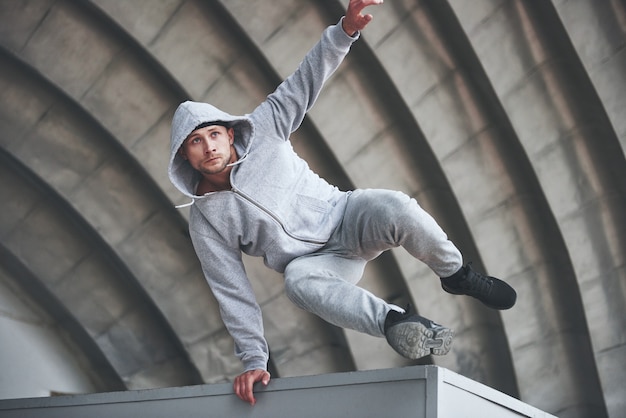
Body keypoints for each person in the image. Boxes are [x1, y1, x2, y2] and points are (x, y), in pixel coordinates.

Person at [168, 0, 516, 406]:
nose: (208, 147)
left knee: (395, 207)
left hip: (346, 215)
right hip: (315, 264)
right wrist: (253, 359)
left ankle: (457, 275)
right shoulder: (206, 220)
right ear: (184, 155)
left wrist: (345, 31)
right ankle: (396, 323)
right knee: (298, 284)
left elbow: (304, 81)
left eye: (212, 134)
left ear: (229, 134)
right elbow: (231, 288)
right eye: (196, 142)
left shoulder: (264, 128)